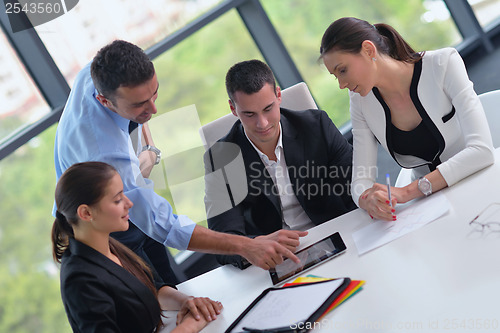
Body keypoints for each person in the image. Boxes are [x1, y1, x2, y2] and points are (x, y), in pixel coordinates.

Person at [54, 39, 301, 275]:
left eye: (154, 94)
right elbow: (163, 224)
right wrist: (246, 246)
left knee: (174, 289)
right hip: (103, 226)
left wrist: (150, 149)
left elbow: (141, 110)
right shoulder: (107, 153)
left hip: (121, 197)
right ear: (104, 101)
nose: (153, 109)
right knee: (158, 300)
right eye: (140, 104)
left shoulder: (100, 69)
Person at [319, 17, 494, 221]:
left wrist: (407, 192)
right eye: (335, 76)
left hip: (477, 181)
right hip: (431, 207)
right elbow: (360, 181)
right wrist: (367, 199)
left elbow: (482, 151)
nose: (341, 84)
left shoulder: (443, 63)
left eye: (343, 70)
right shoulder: (360, 101)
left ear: (368, 50)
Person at [204, 60, 356, 269]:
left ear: (278, 95)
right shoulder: (220, 159)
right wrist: (253, 246)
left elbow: (356, 182)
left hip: (336, 235)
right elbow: (223, 239)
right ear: (233, 108)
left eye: (268, 109)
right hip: (274, 260)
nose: (262, 123)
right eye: (249, 114)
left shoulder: (316, 125)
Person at [52, 162, 223, 332]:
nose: (129, 203)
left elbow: (153, 288)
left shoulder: (111, 245)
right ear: (86, 213)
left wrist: (186, 302)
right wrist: (189, 327)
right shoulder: (79, 281)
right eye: (118, 199)